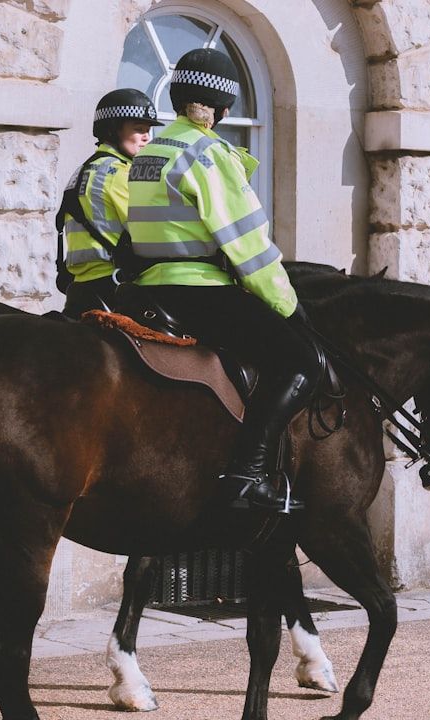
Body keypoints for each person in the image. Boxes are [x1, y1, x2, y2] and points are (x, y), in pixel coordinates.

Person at [126, 49, 323, 513]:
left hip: (149, 287)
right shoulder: (208, 154)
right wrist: (289, 306)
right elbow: (248, 246)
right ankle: (246, 474)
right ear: (222, 107)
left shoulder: (149, 153)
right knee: (302, 360)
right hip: (199, 289)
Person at [57, 88, 162, 318]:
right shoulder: (121, 173)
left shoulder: (81, 171)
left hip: (80, 287)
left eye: (148, 130)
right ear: (113, 130)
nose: (147, 137)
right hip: (114, 287)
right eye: (139, 129)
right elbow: (150, 233)